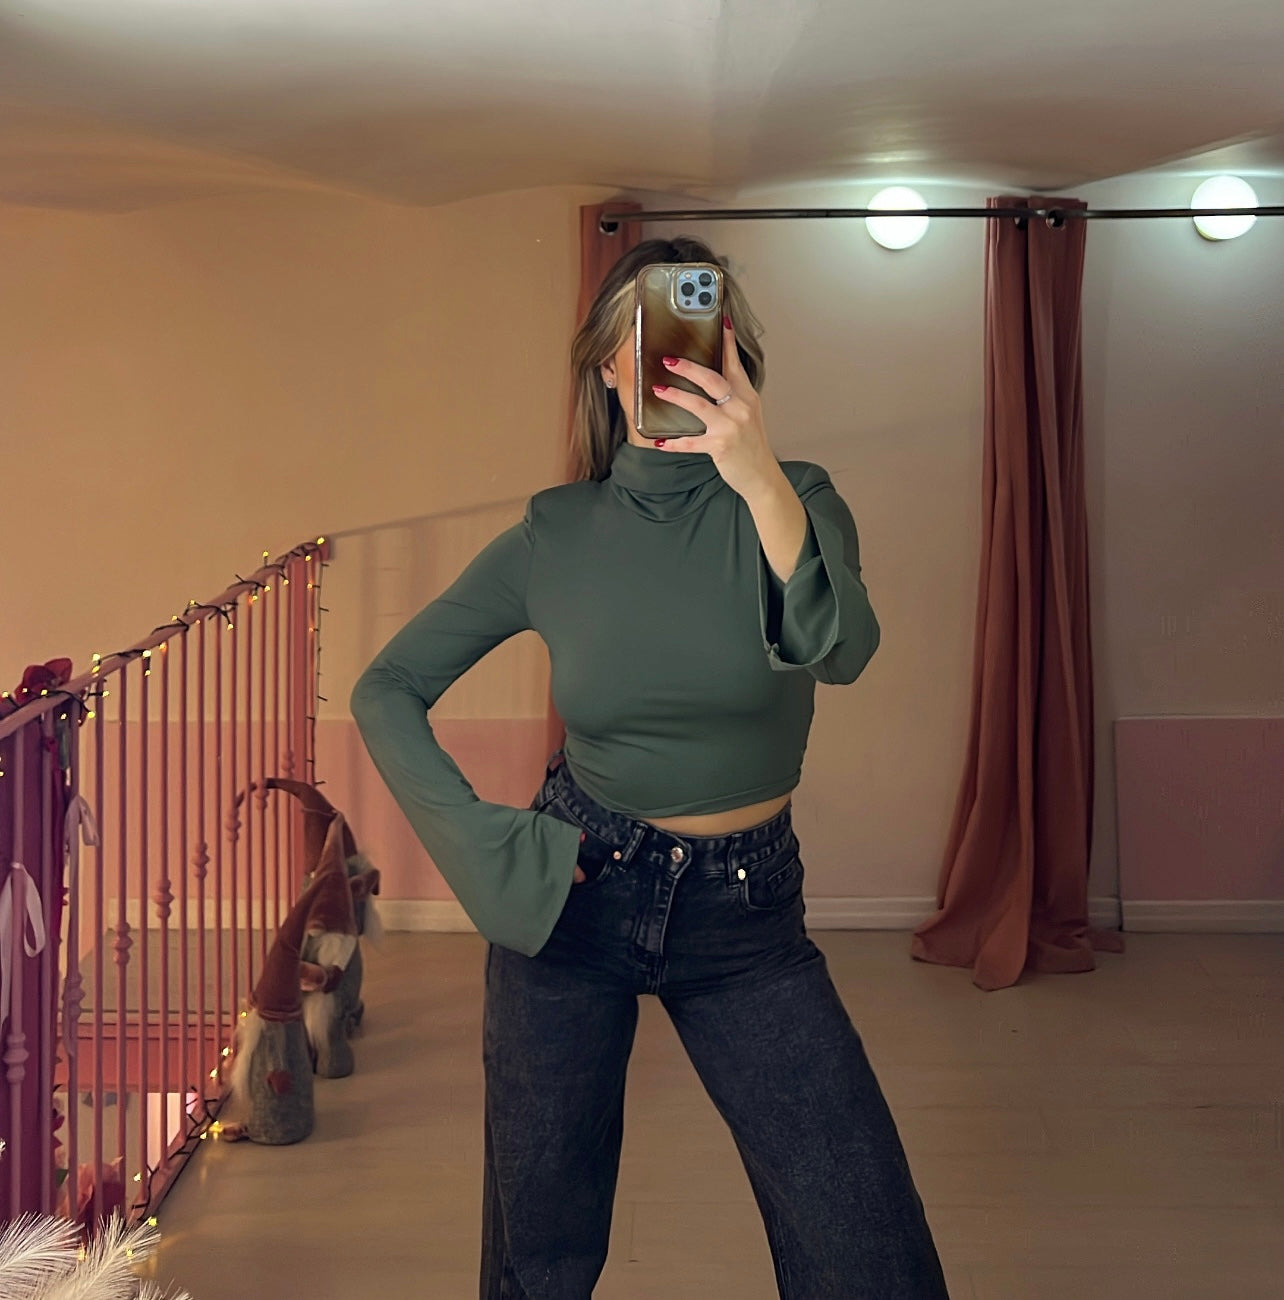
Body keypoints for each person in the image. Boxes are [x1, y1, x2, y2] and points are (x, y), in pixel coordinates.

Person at [350, 236, 950, 1299]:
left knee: (868, 1250)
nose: (665, 352)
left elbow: (844, 649)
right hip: (574, 896)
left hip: (746, 916)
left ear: (733, 354)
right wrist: (486, 850)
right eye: (639, 329)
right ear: (605, 364)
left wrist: (757, 476)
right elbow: (386, 686)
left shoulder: (798, 498)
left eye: (691, 327)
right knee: (539, 1255)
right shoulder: (557, 531)